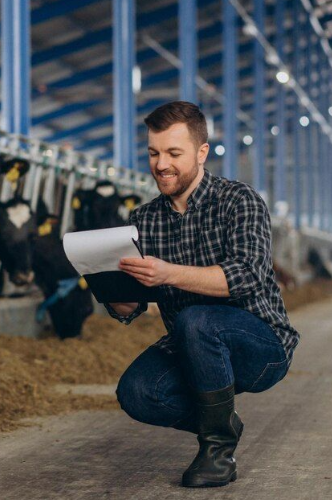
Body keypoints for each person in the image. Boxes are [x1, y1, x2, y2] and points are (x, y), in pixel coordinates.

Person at [106, 101, 299, 488]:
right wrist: (111, 290)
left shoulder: (239, 200)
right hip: (191, 345)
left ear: (201, 152)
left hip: (260, 348)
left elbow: (245, 276)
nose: (161, 164)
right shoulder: (143, 220)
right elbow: (132, 307)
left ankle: (217, 451)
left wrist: (167, 273)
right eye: (154, 153)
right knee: (137, 392)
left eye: (174, 153)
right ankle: (221, 418)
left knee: (197, 318)